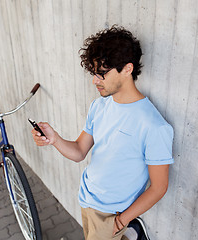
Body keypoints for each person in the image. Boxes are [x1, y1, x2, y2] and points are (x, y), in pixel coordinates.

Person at [31, 25, 174, 240]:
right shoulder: (99, 106)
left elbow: (159, 187)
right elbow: (80, 151)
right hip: (87, 198)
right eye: (93, 73)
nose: (94, 81)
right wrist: (54, 139)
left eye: (101, 74)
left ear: (127, 69)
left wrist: (121, 221)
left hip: (111, 214)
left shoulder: (154, 126)